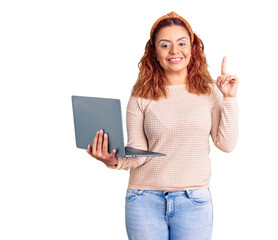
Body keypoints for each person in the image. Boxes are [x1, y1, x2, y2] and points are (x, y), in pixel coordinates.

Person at [86, 11, 239, 240]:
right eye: (165, 45)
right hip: (144, 200)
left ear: (193, 48)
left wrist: (229, 98)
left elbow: (226, 144)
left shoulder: (210, 93)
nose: (174, 51)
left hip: (194, 201)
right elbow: (139, 153)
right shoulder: (141, 96)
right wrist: (113, 160)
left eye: (181, 43)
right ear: (154, 52)